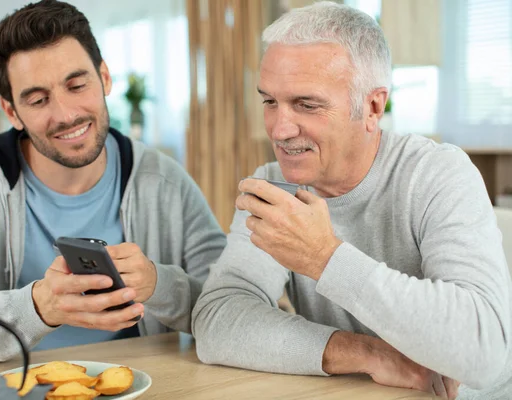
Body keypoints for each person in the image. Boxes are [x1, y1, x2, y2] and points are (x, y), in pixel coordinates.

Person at [192, 3, 512, 399]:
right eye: (270, 101)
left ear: (373, 107)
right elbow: (217, 321)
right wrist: (365, 353)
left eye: (306, 104)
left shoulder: (437, 173)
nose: (279, 128)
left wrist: (324, 258)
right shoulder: (273, 185)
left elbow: (483, 351)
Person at [0, 0, 226, 364]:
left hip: (140, 381)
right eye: (37, 99)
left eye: (77, 85)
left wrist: (159, 285)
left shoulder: (164, 180)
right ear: (11, 112)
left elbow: (234, 307)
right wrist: (40, 307)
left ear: (105, 78)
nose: (65, 114)